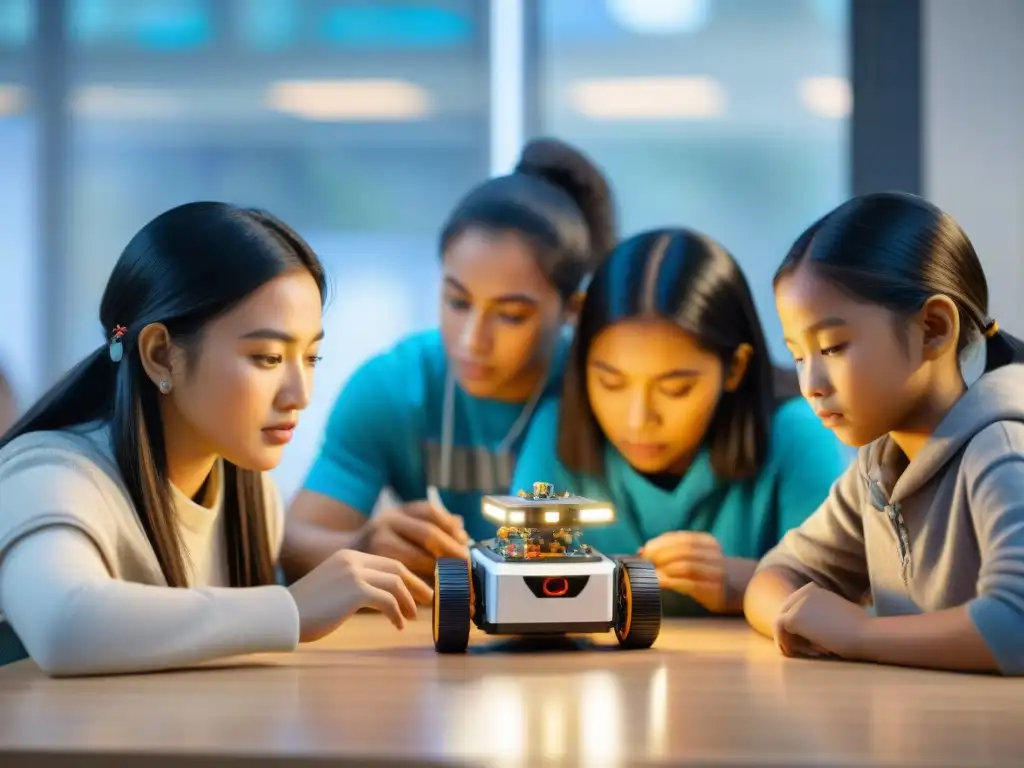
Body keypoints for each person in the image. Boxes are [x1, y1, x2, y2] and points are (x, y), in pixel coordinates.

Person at [0, 202, 430, 676]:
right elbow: (65, 627)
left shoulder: (248, 493)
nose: (299, 394)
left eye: (311, 357)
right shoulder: (46, 473)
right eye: (267, 357)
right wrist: (290, 609)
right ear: (161, 355)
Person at [282, 138, 617, 580]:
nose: (473, 340)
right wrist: (360, 546)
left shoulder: (609, 390)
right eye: (458, 302)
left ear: (571, 310)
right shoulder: (394, 386)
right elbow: (293, 541)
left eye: (512, 315)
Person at [744, 191, 1024, 676]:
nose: (811, 385)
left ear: (933, 328)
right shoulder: (882, 464)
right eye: (797, 355)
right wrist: (799, 620)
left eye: (832, 347)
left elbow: (1015, 625)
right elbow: (775, 574)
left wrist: (858, 633)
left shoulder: (1001, 449)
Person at [510, 228, 849, 616]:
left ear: (735, 368)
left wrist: (745, 582)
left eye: (675, 389)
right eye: (611, 382)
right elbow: (520, 580)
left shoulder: (795, 435)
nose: (638, 420)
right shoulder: (556, 430)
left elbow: (846, 594)